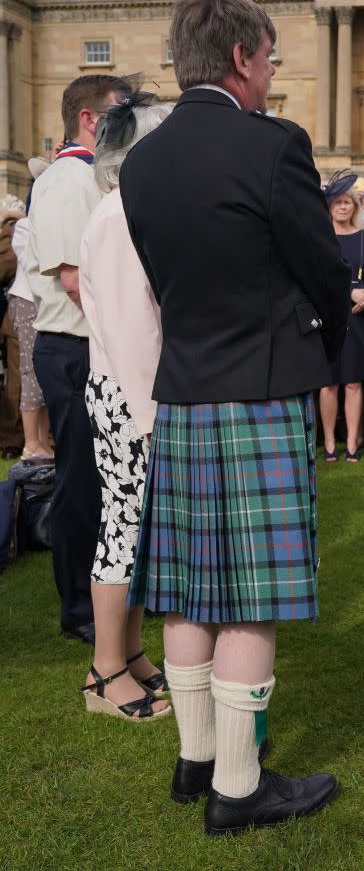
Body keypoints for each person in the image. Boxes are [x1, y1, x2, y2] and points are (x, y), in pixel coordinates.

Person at [120, 0, 349, 835]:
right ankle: (241, 790)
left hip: (183, 390)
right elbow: (321, 265)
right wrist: (322, 332)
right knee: (250, 598)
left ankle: (196, 760)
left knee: (186, 592)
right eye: (272, 57)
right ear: (244, 57)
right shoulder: (273, 145)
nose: (273, 73)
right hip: (257, 389)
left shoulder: (140, 162)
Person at [79, 94, 174, 720]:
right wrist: (150, 415)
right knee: (124, 528)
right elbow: (129, 327)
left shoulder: (130, 211)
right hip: (127, 393)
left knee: (135, 530)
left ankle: (130, 651)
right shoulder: (118, 216)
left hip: (132, 390)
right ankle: (105, 669)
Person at [25, 74, 129, 644]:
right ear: (90, 119)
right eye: (119, 115)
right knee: (82, 481)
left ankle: (108, 595)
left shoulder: (93, 177)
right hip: (74, 346)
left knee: (108, 480)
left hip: (96, 343)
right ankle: (80, 609)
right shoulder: (67, 180)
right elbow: (73, 281)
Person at [319, 171, 364, 461]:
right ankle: (330, 442)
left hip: (359, 318)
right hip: (331, 316)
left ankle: (353, 444)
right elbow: (317, 278)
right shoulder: (320, 240)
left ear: (355, 206)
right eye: (338, 202)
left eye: (348, 202)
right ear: (330, 206)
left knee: (354, 382)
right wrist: (349, 294)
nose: (343, 207)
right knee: (329, 382)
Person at [8, 167, 53, 460]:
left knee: (42, 375)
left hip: (40, 302)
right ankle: (31, 441)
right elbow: (32, 263)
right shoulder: (25, 226)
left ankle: (42, 440)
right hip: (28, 301)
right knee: (30, 371)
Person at [0, 195, 27, 458]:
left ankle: (11, 441)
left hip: (17, 315)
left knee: (17, 381)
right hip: (19, 315)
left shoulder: (9, 236)